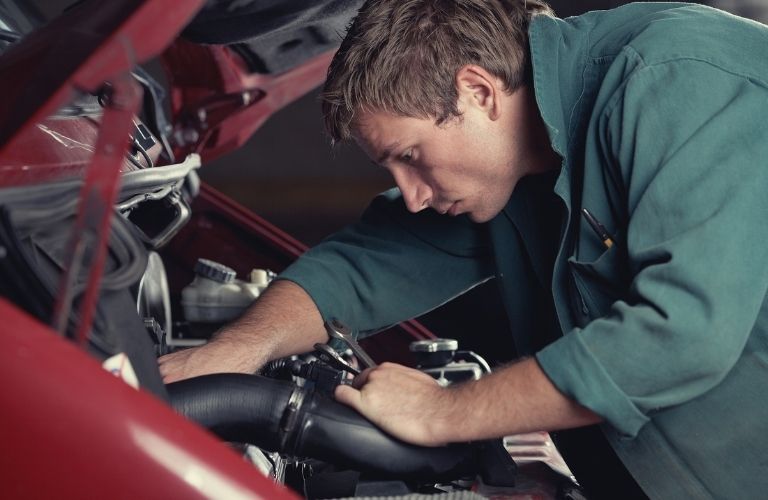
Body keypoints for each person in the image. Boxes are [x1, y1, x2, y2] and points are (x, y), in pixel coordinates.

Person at [159, 1, 768, 498]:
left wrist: (443, 411)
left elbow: (680, 337)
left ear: (478, 92)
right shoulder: (505, 172)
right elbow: (360, 265)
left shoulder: (676, 79)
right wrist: (233, 353)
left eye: (410, 157)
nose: (412, 196)